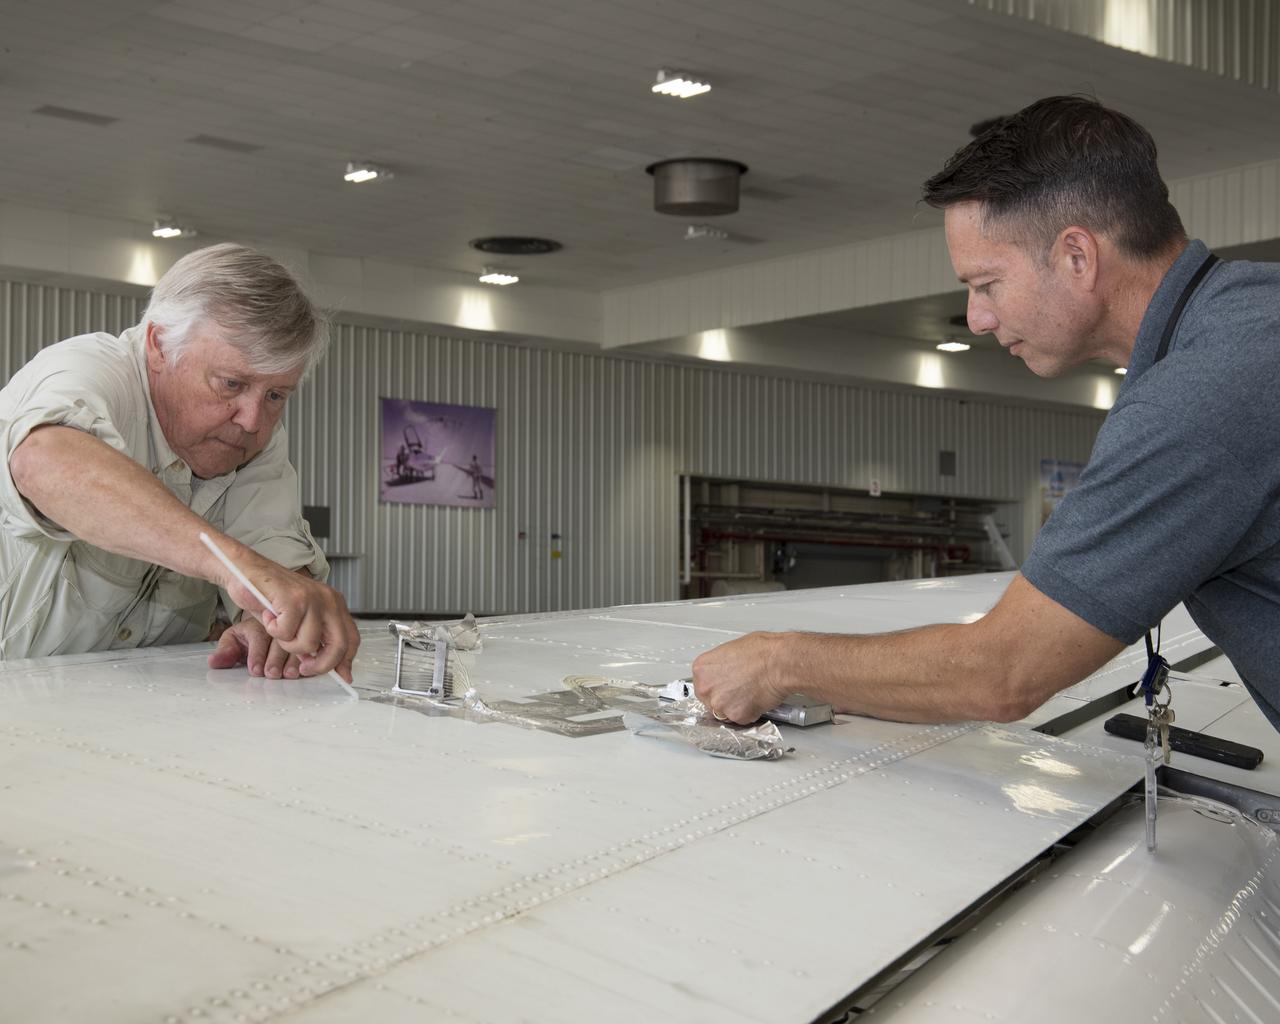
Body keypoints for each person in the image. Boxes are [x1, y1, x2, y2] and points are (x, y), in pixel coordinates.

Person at [693, 95, 1280, 732]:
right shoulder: (1254, 313)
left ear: (1076, 257)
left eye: (986, 283)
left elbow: (1003, 673)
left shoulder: (1200, 396)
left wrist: (779, 662)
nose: (977, 319)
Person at [0, 243, 360, 681]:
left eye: (276, 395)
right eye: (231, 383)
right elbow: (44, 463)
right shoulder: (91, 369)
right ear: (159, 345)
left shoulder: (251, 435)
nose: (252, 421)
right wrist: (234, 567)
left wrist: (282, 622)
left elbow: (274, 552)